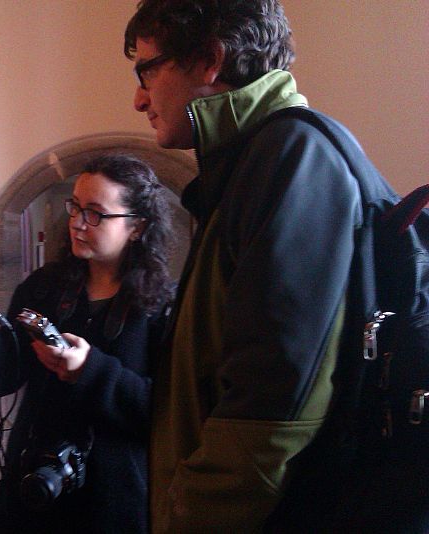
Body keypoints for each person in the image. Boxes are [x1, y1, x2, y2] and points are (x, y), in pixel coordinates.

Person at [124, 1, 397, 531]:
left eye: (147, 71)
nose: (139, 99)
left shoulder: (291, 156)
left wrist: (187, 515)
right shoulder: (254, 159)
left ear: (210, 59)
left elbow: (271, 410)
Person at [0, 154, 175, 533]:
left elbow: (168, 415)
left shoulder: (164, 306)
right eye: (75, 207)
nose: (77, 222)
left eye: (95, 213)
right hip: (35, 491)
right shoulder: (44, 287)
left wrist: (89, 371)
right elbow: (0, 379)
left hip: (115, 504)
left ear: (137, 226)